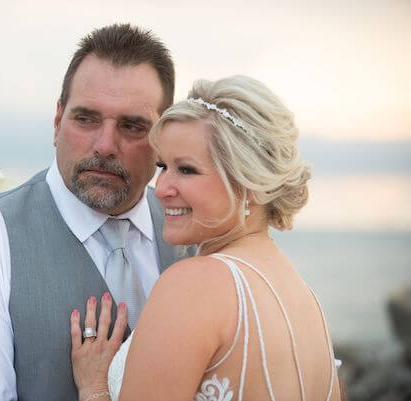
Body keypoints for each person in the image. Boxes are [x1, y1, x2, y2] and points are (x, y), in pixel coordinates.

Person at [0, 23, 191, 401]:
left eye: (132, 126)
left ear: (164, 138)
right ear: (57, 121)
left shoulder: (196, 237)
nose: (105, 145)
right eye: (86, 119)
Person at [70, 76, 342, 401]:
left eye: (186, 170)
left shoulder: (194, 284)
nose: (162, 189)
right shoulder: (304, 297)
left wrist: (94, 388)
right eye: (163, 166)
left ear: (248, 184)